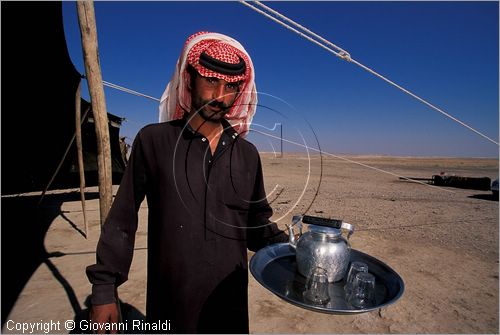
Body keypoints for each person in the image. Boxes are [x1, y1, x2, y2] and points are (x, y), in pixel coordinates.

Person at [86, 31, 288, 333]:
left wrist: (294, 248)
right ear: (189, 79)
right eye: (211, 81)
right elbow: (122, 219)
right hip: (171, 303)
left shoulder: (246, 154)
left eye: (231, 86)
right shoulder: (154, 141)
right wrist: (103, 290)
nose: (220, 95)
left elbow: (256, 225)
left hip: (229, 304)